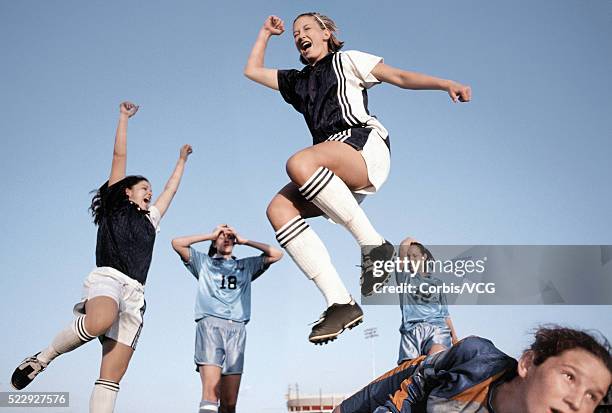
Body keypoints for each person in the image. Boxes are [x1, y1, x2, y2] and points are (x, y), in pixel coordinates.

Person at [244, 13, 471, 344]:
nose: (299, 35)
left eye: (307, 28)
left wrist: (446, 84)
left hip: (363, 145)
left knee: (299, 163)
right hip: (328, 162)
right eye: (295, 33)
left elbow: (399, 76)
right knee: (278, 208)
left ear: (327, 33)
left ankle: (373, 245)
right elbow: (251, 71)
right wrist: (264, 33)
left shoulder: (347, 60)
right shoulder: (298, 81)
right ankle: (339, 302)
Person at [11, 102, 193, 413]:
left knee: (110, 380)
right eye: (143, 187)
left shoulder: (152, 219)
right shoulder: (114, 206)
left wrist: (181, 161)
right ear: (127, 192)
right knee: (99, 321)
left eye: (151, 188)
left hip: (136, 295)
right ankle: (42, 358)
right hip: (109, 278)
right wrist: (123, 119)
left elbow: (171, 190)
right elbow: (119, 158)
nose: (150, 191)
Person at [335, 326, 612, 413]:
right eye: (569, 377)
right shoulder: (476, 357)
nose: (576, 402)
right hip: (410, 384)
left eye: (592, 396)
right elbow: (417, 383)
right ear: (528, 364)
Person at [172, 224, 283, 413]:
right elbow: (177, 243)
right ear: (214, 242)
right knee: (210, 395)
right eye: (221, 236)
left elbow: (276, 254)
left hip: (237, 328)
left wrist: (244, 240)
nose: (226, 238)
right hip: (210, 325)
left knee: (230, 403)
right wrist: (210, 235)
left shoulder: (246, 266)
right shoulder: (204, 263)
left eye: (229, 236)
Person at [396, 237, 458, 364]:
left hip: (436, 330)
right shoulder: (404, 278)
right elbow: (403, 245)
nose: (411, 260)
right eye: (409, 257)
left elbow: (445, 314)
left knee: (435, 360)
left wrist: (455, 337)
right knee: (407, 372)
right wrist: (413, 241)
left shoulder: (437, 283)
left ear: (423, 257)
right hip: (411, 332)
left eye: (415, 256)